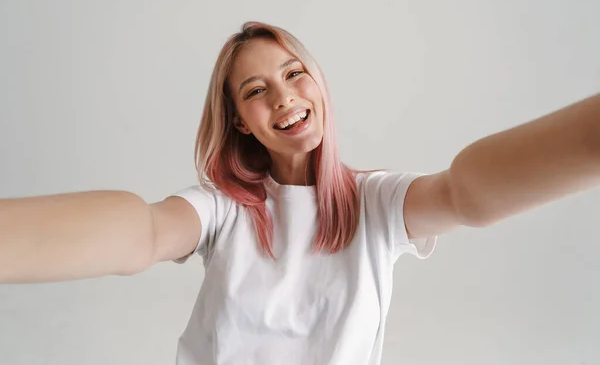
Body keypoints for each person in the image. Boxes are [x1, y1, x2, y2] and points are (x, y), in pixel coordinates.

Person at [0, 21, 599, 365]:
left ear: (317, 83)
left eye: (293, 74)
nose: (284, 97)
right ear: (239, 120)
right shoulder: (223, 208)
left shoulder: (378, 204)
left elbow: (466, 192)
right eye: (256, 90)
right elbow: (144, 232)